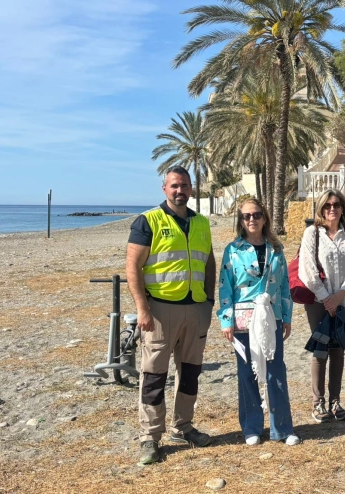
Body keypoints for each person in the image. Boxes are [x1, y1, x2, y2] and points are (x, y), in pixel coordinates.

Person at [126, 165, 216, 465]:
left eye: (185, 185)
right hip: (160, 311)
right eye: (174, 185)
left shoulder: (201, 222)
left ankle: (183, 427)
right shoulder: (148, 221)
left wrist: (209, 301)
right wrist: (142, 308)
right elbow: (133, 267)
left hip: (196, 309)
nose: (180, 190)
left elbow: (209, 263)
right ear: (164, 188)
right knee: (154, 376)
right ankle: (150, 437)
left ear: (192, 189)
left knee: (190, 373)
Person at [217, 198, 300, 447]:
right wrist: (226, 320)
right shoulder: (233, 250)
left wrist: (287, 317)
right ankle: (251, 427)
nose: (251, 219)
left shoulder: (276, 249)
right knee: (247, 372)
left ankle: (282, 428)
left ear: (264, 218)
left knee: (276, 371)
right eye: (246, 216)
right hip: (243, 319)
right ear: (241, 221)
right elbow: (225, 286)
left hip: (271, 317)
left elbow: (284, 284)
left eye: (256, 215)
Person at [298, 189, 345, 422]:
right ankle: (318, 403)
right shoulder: (312, 233)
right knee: (320, 349)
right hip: (318, 302)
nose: (332, 209)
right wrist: (326, 298)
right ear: (321, 209)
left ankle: (335, 401)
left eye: (336, 204)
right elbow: (308, 269)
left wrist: (339, 296)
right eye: (327, 205)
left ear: (342, 208)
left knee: (338, 350)